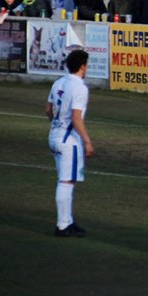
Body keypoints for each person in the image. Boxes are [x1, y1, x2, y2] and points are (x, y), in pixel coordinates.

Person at [45, 49, 94, 237]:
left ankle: (68, 221)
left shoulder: (59, 82)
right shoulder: (80, 87)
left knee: (67, 180)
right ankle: (63, 225)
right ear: (82, 66)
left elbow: (48, 109)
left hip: (54, 136)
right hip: (68, 140)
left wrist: (56, 125)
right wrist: (87, 141)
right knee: (66, 182)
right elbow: (76, 117)